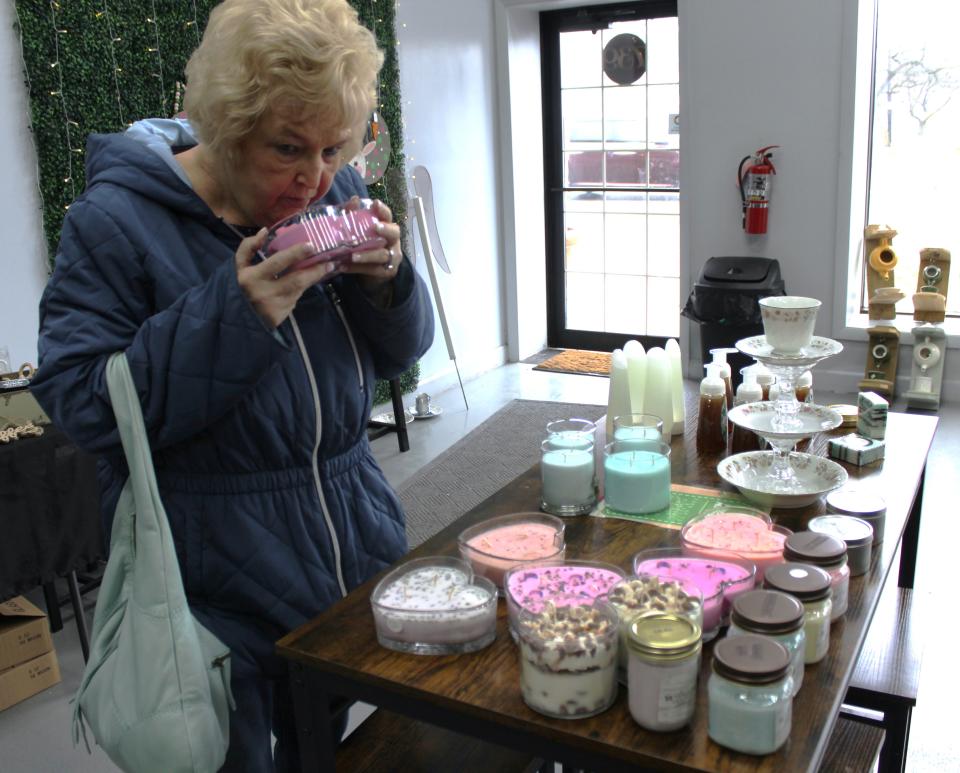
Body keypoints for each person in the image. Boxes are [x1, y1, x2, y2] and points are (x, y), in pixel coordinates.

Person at [30, 0, 434, 769]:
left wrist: (388, 284)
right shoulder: (115, 223)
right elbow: (82, 401)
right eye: (287, 148)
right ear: (226, 125)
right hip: (208, 597)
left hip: (344, 561)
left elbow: (397, 358)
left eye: (333, 147)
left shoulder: (329, 186)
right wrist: (236, 312)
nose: (314, 178)